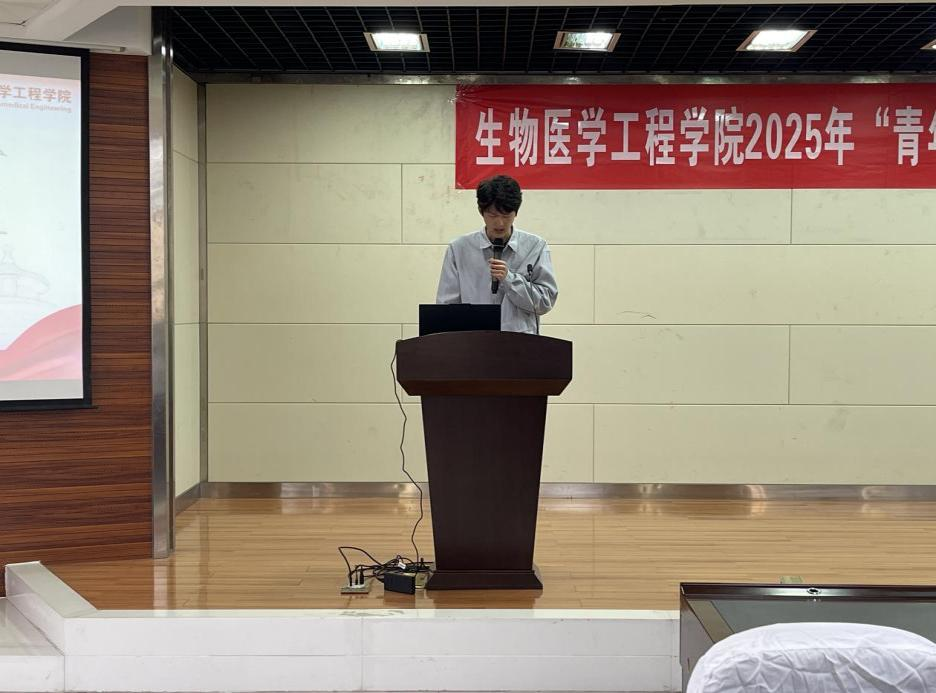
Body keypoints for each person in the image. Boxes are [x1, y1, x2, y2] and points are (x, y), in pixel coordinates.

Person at [435, 174, 558, 334]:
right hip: (474, 341)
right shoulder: (459, 249)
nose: (499, 223)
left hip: (520, 342)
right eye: (492, 215)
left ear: (516, 213)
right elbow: (446, 307)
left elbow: (545, 302)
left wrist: (510, 279)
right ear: (481, 212)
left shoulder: (535, 247)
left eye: (506, 216)